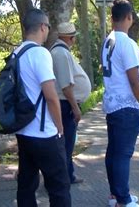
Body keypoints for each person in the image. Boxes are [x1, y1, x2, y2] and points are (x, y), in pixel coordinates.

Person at [15, 9, 71, 206]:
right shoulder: (40, 53)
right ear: (41, 27)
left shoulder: (16, 53)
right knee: (59, 187)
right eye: (48, 26)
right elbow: (51, 96)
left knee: (26, 185)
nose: (48, 30)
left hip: (23, 131)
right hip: (44, 133)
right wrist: (60, 127)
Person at [101, 0, 139, 207]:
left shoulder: (108, 41)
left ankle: (116, 195)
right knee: (123, 154)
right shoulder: (126, 43)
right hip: (126, 106)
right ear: (129, 17)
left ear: (112, 18)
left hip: (112, 104)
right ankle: (123, 200)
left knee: (113, 152)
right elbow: (134, 79)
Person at [50, 22, 91, 184]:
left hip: (65, 103)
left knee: (67, 144)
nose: (74, 41)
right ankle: (63, 178)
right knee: (65, 144)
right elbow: (66, 86)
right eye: (73, 38)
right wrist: (75, 108)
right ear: (69, 38)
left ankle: (68, 174)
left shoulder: (61, 51)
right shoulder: (60, 53)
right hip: (65, 104)